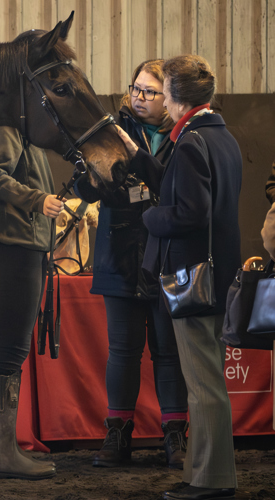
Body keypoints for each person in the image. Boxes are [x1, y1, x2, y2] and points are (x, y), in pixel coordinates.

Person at [118, 54, 240, 500]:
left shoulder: (189, 142)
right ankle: (201, 472)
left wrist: (151, 217)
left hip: (193, 278)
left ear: (177, 96)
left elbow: (190, 212)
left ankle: (212, 480)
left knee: (204, 386)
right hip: (216, 275)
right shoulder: (216, 135)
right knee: (207, 382)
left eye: (163, 90)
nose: (159, 97)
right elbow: (182, 186)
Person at [73, 59, 189, 470]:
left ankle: (175, 436)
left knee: (168, 350)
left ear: (169, 97)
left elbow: (170, 187)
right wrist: (87, 177)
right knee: (122, 351)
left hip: (168, 256)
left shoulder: (184, 135)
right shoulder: (109, 131)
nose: (138, 98)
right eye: (135, 89)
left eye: (149, 92)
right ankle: (117, 434)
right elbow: (82, 188)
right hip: (118, 255)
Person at [0, 125, 62, 480]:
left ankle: (5, 451)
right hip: (15, 245)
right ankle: (2, 454)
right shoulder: (5, 122)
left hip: (24, 244)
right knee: (13, 348)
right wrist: (37, 200)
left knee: (15, 347)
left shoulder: (20, 125)